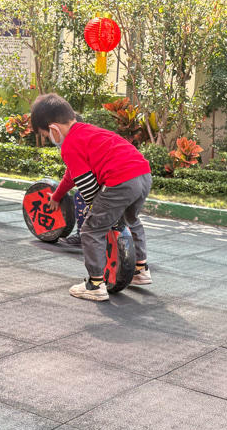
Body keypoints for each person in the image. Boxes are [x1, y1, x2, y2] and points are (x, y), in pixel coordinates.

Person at [30, 93, 153, 301]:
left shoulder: (69, 144)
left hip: (120, 181)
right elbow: (72, 174)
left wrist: (92, 207)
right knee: (131, 220)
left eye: (45, 135)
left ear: (54, 130)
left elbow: (85, 183)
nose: (48, 140)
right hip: (143, 175)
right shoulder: (90, 132)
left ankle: (95, 284)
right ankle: (140, 270)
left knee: (91, 228)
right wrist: (57, 196)